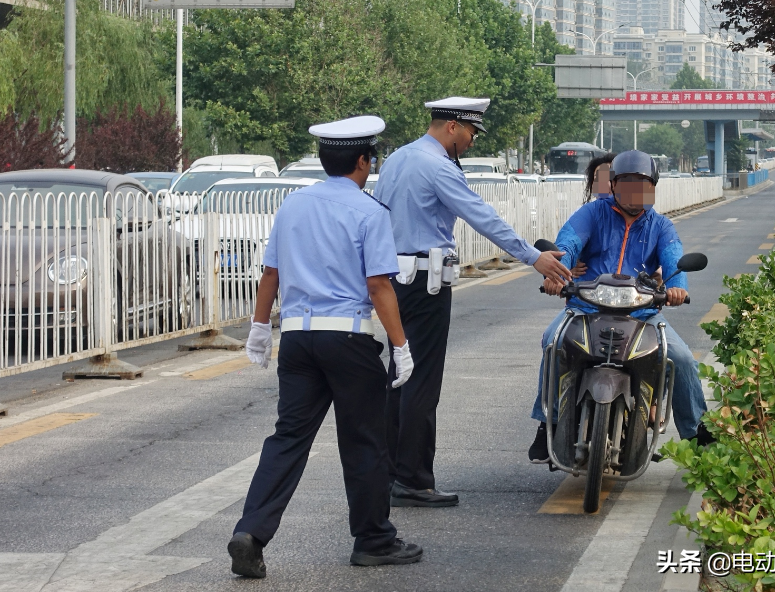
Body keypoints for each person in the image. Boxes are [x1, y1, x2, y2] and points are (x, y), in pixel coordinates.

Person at [229, 115, 422, 577]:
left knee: (288, 438)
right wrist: (401, 346)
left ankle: (251, 532)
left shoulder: (292, 205)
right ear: (363, 161)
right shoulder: (370, 212)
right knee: (364, 441)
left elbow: (270, 274)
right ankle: (374, 539)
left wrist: (260, 327)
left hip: (297, 339)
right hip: (348, 340)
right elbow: (378, 285)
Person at [375, 96, 571, 508]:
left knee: (398, 375)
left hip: (394, 279)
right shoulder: (437, 166)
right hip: (426, 283)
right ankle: (413, 480)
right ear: (452, 127)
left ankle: (390, 473)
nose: (470, 142)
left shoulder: (397, 159)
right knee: (421, 382)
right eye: (469, 133)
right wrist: (533, 257)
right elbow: (481, 216)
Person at [527, 149, 714, 463]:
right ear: (612, 185)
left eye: (642, 183)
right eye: (626, 182)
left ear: (652, 188)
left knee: (679, 357)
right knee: (552, 341)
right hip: (586, 307)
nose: (634, 190)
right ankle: (549, 422)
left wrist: (677, 288)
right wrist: (557, 275)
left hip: (641, 312)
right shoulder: (591, 213)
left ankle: (696, 431)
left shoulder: (661, 227)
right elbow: (568, 243)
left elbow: (673, 259)